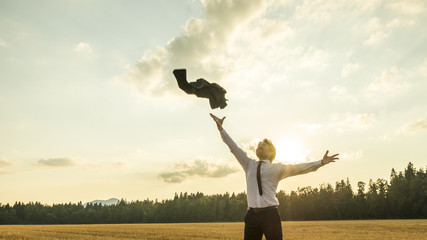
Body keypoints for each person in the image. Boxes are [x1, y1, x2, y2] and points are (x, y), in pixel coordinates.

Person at [210, 113, 339, 240]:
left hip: (270, 216)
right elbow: (233, 147)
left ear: (271, 152)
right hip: (251, 217)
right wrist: (221, 129)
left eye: (263, 146)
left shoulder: (277, 169)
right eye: (258, 146)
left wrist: (320, 163)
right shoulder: (248, 163)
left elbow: (300, 168)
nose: (259, 147)